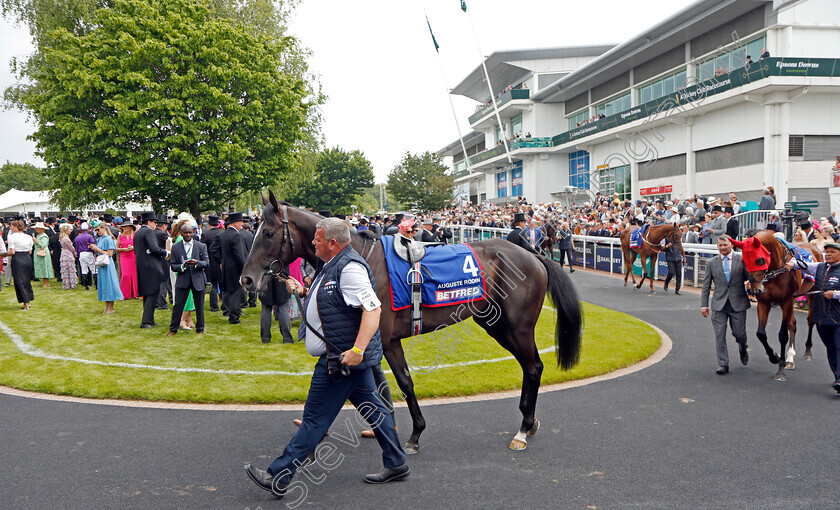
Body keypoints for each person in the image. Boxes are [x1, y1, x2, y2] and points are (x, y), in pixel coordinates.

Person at [245, 218, 407, 497]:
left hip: (342, 360)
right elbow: (336, 300)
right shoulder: (335, 265)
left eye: (317, 239)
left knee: (315, 418)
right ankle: (397, 463)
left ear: (332, 243)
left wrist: (357, 351)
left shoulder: (350, 268)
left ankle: (279, 475)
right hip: (345, 357)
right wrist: (303, 291)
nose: (313, 243)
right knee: (375, 409)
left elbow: (373, 310)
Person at [786, 242, 840, 393]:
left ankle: (839, 379)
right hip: (821, 318)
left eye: (832, 252)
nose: (828, 254)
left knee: (838, 347)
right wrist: (792, 263)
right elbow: (802, 264)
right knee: (831, 348)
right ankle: (837, 375)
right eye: (827, 251)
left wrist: (834, 294)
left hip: (838, 318)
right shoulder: (819, 267)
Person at [700, 235, 751, 375]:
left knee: (739, 334)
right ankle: (723, 364)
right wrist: (703, 305)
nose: (722, 248)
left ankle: (743, 346)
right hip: (719, 304)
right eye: (720, 245)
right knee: (719, 336)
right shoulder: (712, 263)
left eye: (725, 245)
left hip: (738, 303)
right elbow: (705, 286)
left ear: (731, 245)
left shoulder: (742, 260)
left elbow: (751, 278)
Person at [167, 224, 208, 336]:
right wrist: (182, 266)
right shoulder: (176, 247)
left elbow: (206, 262)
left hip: (197, 279)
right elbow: (173, 265)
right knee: (178, 306)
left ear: (193, 232)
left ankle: (200, 329)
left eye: (190, 232)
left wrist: (197, 263)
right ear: (181, 233)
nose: (188, 235)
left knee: (199, 306)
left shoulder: (201, 246)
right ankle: (173, 329)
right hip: (183, 279)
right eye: (186, 233)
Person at [134, 212, 170, 328]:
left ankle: (149, 318)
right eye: (154, 222)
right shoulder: (148, 231)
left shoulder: (139, 232)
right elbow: (154, 248)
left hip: (142, 265)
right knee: (152, 293)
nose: (156, 225)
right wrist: (166, 252)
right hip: (151, 266)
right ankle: (146, 321)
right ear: (148, 222)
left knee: (148, 293)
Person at [167, 219, 196, 330]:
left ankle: (189, 319)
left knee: (187, 296)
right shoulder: (181, 241)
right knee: (187, 297)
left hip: (180, 270)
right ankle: (181, 320)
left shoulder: (178, 239)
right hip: (184, 271)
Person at [89, 222, 123, 314]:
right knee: (104, 285)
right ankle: (107, 307)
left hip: (108, 264)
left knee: (109, 284)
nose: (97, 232)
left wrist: (97, 249)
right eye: (95, 230)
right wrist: (95, 249)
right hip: (102, 264)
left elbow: (110, 253)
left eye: (98, 229)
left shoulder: (108, 239)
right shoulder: (100, 239)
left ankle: (111, 307)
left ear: (104, 228)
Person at [221, 212, 248, 324]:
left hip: (226, 267)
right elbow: (239, 255)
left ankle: (228, 310)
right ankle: (234, 316)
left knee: (229, 290)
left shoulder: (224, 234)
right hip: (235, 268)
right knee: (236, 292)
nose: (242, 224)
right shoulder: (236, 235)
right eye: (241, 221)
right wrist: (245, 268)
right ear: (235, 223)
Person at [6, 220, 34, 309]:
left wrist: (4, 254)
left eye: (11, 226)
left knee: (19, 281)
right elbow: (30, 251)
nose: (10, 227)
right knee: (26, 281)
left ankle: (26, 303)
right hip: (27, 258)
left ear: (16, 227)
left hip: (17, 259)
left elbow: (12, 251)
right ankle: (28, 301)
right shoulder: (28, 237)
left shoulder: (11, 237)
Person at [260, 274, 294, 344]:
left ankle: (265, 338)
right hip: (281, 276)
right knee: (283, 307)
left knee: (266, 308)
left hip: (266, 277)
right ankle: (287, 338)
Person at [203, 215, 224, 312]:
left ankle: (214, 306)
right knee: (224, 285)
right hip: (222, 263)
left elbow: (202, 249)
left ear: (209, 224)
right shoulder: (223, 233)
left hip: (211, 263)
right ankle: (225, 305)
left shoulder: (205, 234)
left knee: (213, 285)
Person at [117, 221, 138, 299]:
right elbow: (116, 248)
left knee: (134, 275)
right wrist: (123, 249)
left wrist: (133, 248)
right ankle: (123, 294)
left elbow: (139, 246)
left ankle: (134, 294)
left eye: (126, 227)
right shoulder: (120, 237)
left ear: (130, 227)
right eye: (124, 227)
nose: (125, 228)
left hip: (133, 256)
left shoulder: (135, 236)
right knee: (125, 275)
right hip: (124, 256)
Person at [75, 222, 97, 290]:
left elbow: (76, 247)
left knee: (84, 269)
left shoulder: (77, 237)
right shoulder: (89, 236)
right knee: (93, 269)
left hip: (81, 254)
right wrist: (94, 253)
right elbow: (92, 245)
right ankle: (96, 285)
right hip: (89, 253)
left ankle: (85, 285)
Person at [32, 222, 54, 287]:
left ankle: (46, 282)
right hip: (38, 252)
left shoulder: (44, 236)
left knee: (44, 266)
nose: (36, 229)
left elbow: (43, 245)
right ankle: (44, 281)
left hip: (43, 252)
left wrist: (36, 241)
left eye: (38, 228)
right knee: (40, 266)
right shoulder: (38, 235)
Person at [58, 223, 77, 289]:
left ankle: (67, 284)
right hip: (68, 254)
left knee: (66, 269)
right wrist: (75, 253)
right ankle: (71, 284)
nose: (70, 231)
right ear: (66, 230)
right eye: (69, 230)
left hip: (64, 253)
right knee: (70, 268)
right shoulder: (66, 239)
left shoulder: (62, 238)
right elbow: (71, 247)